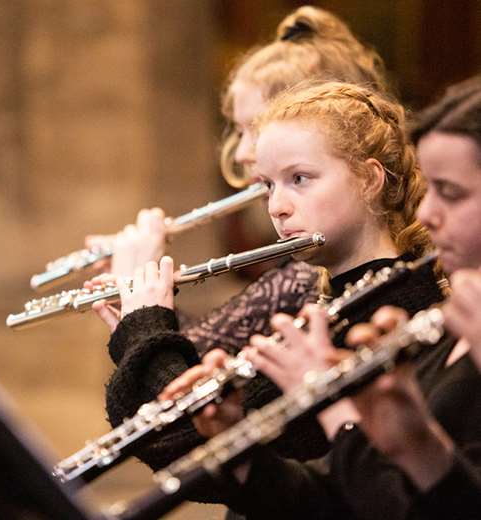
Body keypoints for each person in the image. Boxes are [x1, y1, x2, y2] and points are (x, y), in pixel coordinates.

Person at [93, 6, 440, 476]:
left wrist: (146, 325)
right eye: (270, 185)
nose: (276, 206)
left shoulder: (387, 307)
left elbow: (184, 437)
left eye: (299, 178)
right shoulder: (332, 296)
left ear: (369, 178)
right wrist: (138, 326)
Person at [176, 76, 481, 519]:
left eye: (450, 192)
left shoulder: (412, 306)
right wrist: (234, 443)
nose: (429, 212)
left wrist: (336, 410)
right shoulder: (449, 328)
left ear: (371, 179)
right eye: (269, 186)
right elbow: (331, 495)